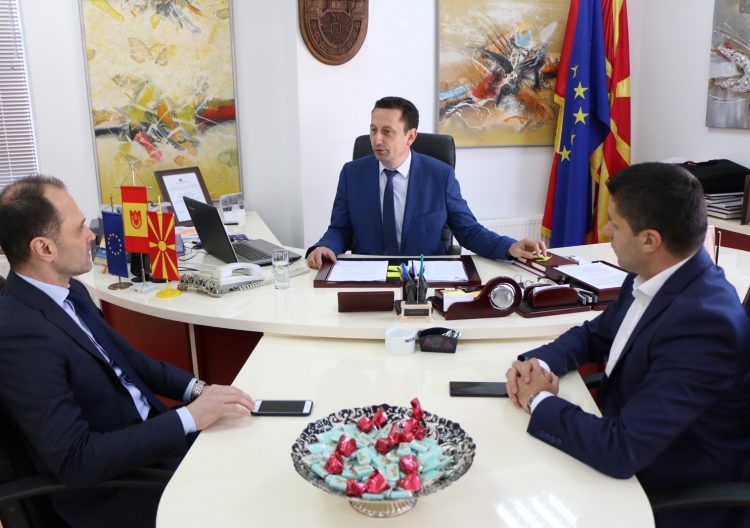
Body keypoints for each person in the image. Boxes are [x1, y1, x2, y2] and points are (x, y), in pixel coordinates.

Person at [0, 176, 256, 528]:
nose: (92, 235)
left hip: (153, 443)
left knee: (257, 444)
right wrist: (189, 418)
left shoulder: (69, 291)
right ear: (44, 248)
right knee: (253, 499)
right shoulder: (20, 335)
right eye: (79, 229)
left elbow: (132, 362)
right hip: (120, 487)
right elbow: (76, 460)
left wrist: (201, 391)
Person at [505, 162, 750, 528]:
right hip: (627, 443)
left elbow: (621, 450)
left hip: (664, 491)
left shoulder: (704, 325)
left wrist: (538, 399)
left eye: (614, 224)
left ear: (650, 240)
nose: (605, 231)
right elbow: (594, 334)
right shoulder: (655, 275)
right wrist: (537, 365)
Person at [306, 96, 547, 268]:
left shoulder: (440, 176)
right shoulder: (352, 174)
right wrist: (324, 247)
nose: (376, 139)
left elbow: (468, 231)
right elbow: (340, 229)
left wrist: (509, 247)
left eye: (387, 131)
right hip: (369, 276)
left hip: (424, 278)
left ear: (410, 136)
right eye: (373, 130)